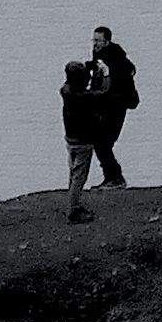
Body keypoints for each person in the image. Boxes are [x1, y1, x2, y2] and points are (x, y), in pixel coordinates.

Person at [62, 23, 139, 218]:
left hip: (116, 105)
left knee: (103, 142)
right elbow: (95, 74)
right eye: (93, 40)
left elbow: (124, 74)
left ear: (107, 41)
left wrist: (104, 76)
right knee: (100, 142)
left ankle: (115, 178)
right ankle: (112, 177)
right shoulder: (99, 55)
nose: (94, 44)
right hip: (103, 106)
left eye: (98, 41)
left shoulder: (117, 58)